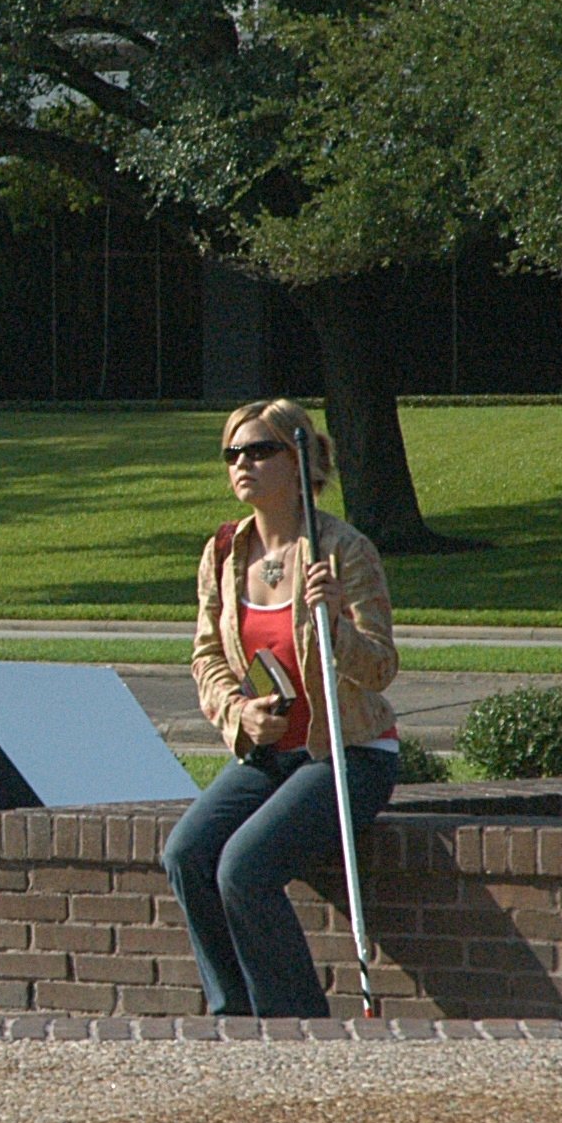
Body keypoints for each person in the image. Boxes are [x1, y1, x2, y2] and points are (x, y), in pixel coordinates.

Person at [164, 397, 401, 1019]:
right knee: (187, 854)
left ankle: (293, 1021)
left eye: (260, 450)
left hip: (347, 752)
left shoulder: (343, 550)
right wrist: (239, 714)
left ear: (300, 461)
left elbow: (379, 667)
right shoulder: (223, 552)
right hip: (272, 752)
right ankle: (233, 1013)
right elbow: (207, 656)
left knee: (244, 868)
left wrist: (335, 623)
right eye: (232, 453)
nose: (243, 463)